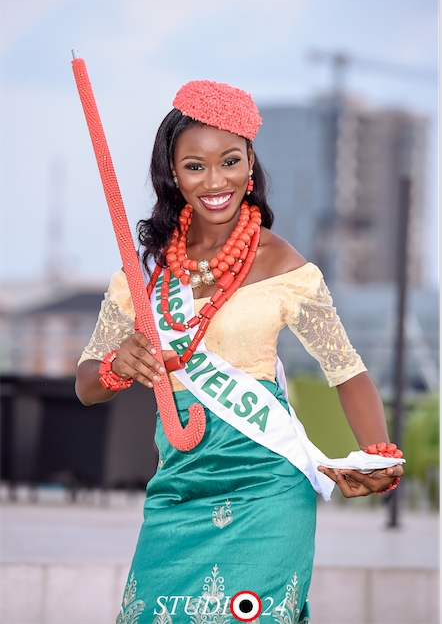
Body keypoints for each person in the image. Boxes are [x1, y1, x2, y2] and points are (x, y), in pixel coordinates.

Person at [75, 80, 404, 624]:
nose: (215, 181)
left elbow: (346, 370)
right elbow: (86, 382)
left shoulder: (285, 267)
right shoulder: (144, 276)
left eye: (229, 161)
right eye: (194, 166)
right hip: (177, 488)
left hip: (268, 489)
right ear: (172, 175)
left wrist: (379, 455)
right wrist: (115, 367)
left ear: (250, 163)